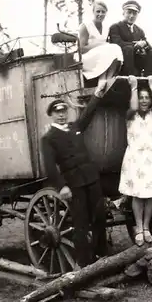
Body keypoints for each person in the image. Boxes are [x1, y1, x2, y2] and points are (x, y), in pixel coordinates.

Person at [41, 80, 111, 268]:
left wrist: (97, 94)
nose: (62, 115)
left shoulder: (75, 128)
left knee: (99, 216)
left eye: (64, 111)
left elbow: (88, 114)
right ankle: (85, 264)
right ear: (51, 116)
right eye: (58, 113)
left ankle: (102, 256)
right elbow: (49, 166)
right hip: (74, 185)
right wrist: (61, 186)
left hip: (91, 178)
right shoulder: (48, 139)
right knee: (81, 223)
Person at [119, 75, 152, 246]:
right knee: (138, 194)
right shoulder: (130, 115)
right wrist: (134, 86)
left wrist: (151, 84)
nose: (144, 100)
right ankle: (139, 228)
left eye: (146, 97)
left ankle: (146, 226)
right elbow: (133, 106)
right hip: (135, 159)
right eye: (141, 97)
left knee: (151, 195)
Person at [77, 1, 123, 87]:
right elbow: (81, 49)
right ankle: (102, 78)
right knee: (108, 48)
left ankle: (108, 79)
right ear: (93, 12)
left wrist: (104, 46)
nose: (100, 14)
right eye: (98, 11)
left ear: (106, 13)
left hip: (99, 56)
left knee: (115, 48)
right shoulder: (86, 26)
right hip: (86, 58)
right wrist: (100, 45)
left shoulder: (106, 28)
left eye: (103, 12)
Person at [107, 0, 152, 76]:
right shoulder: (115, 27)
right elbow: (117, 43)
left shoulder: (139, 30)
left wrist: (145, 44)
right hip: (122, 62)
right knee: (128, 48)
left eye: (134, 13)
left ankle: (149, 77)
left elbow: (148, 45)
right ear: (123, 13)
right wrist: (136, 45)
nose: (131, 16)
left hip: (137, 61)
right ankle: (130, 76)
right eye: (129, 12)